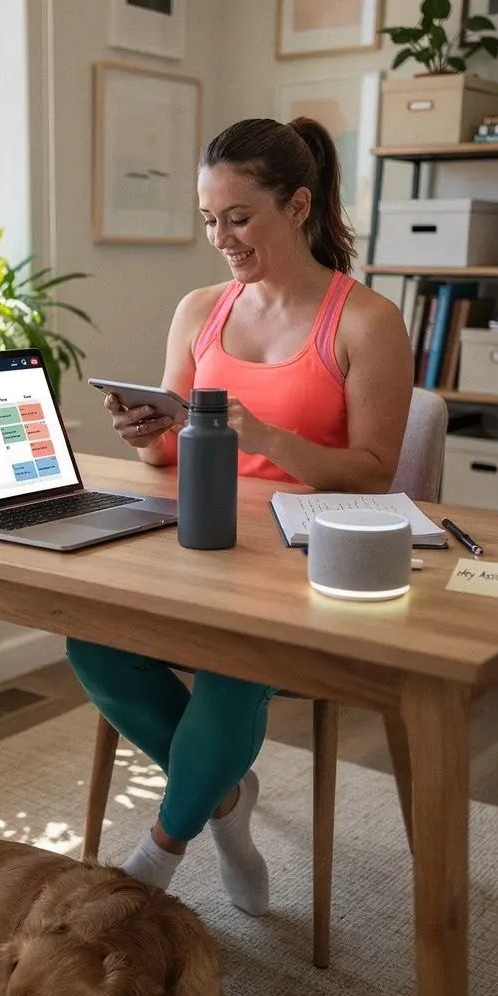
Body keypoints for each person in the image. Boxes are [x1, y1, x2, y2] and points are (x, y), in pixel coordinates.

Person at [67, 117, 414, 914]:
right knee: (90, 637)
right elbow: (167, 452)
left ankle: (156, 861)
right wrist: (148, 434)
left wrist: (261, 435)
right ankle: (224, 797)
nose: (221, 238)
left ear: (297, 205)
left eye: (238, 217)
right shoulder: (199, 311)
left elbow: (374, 473)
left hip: (299, 559)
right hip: (197, 540)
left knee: (230, 656)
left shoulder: (364, 321)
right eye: (208, 221)